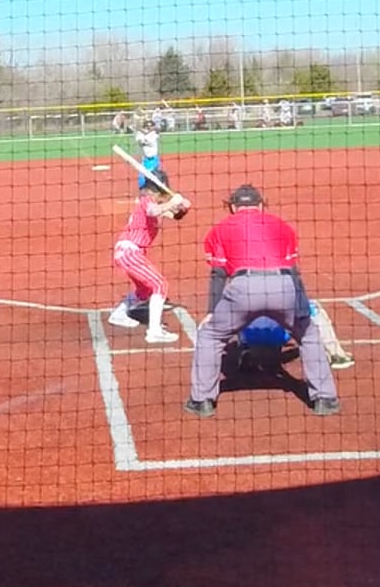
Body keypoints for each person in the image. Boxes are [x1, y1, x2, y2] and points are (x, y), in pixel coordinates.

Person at [185, 184, 340, 418]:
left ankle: (201, 401)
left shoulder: (220, 228)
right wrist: (301, 311)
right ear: (260, 205)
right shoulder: (282, 225)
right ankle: (325, 399)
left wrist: (212, 312)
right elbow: (293, 271)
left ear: (233, 207)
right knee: (308, 335)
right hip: (284, 285)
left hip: (244, 287)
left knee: (211, 336)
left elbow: (218, 274)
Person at [107, 174, 189, 345]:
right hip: (130, 251)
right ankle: (154, 332)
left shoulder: (157, 204)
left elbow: (175, 215)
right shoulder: (146, 201)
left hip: (130, 252)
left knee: (144, 290)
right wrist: (173, 202)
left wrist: (183, 207)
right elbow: (154, 211)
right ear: (154, 191)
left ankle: (119, 314)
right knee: (160, 285)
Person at [133, 119, 162, 188]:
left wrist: (141, 130)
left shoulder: (154, 134)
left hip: (154, 160)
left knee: (155, 177)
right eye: (147, 126)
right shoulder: (140, 134)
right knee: (142, 177)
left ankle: (156, 189)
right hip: (145, 160)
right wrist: (140, 130)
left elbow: (157, 130)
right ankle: (143, 190)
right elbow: (140, 141)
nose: (149, 128)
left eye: (151, 126)